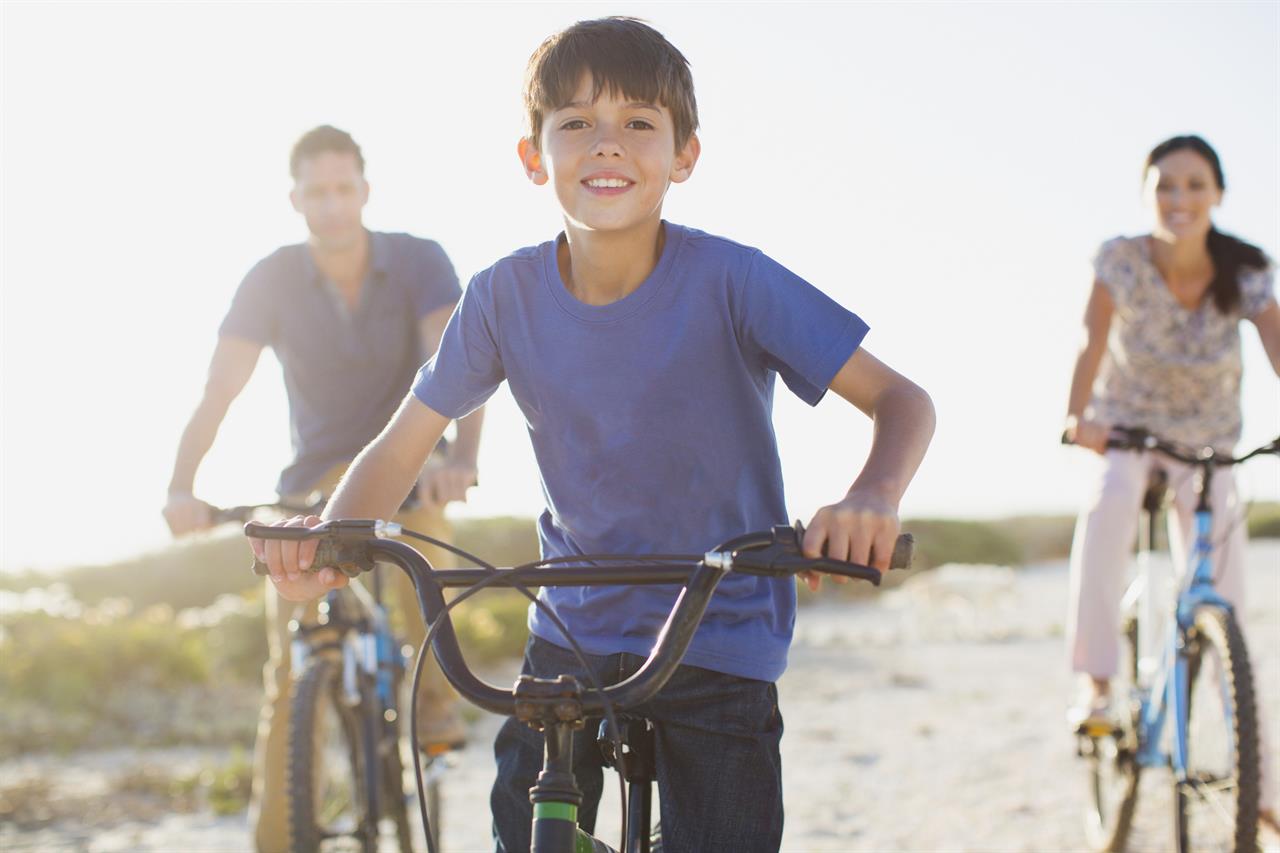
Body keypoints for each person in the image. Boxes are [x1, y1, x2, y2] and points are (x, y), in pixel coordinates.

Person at [255, 18, 934, 852]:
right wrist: (332, 543)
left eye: (639, 123)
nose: (606, 145)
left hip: (719, 623)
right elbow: (402, 443)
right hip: (572, 625)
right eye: (575, 123)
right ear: (534, 158)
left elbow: (902, 400)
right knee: (525, 824)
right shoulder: (503, 295)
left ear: (684, 155)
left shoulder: (734, 280)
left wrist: (872, 493)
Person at [163, 125, 484, 853]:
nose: (333, 206)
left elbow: (456, 361)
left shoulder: (418, 261)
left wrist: (458, 456)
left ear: (365, 192)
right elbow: (221, 387)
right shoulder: (272, 277)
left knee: (425, 543)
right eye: (317, 192)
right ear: (295, 198)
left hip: (407, 469)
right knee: (294, 660)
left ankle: (434, 703)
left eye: (345, 189)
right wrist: (183, 485)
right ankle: (280, 841)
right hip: (310, 482)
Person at [1063, 134, 1280, 829]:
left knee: (1228, 600)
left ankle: (1263, 789)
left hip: (1208, 441)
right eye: (1165, 186)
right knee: (1110, 506)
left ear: (1217, 193)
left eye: (1193, 185)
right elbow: (1090, 339)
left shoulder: (1245, 269)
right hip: (1127, 429)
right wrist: (1078, 414)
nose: (1179, 199)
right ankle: (1097, 685)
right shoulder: (1122, 260)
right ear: (1147, 194)